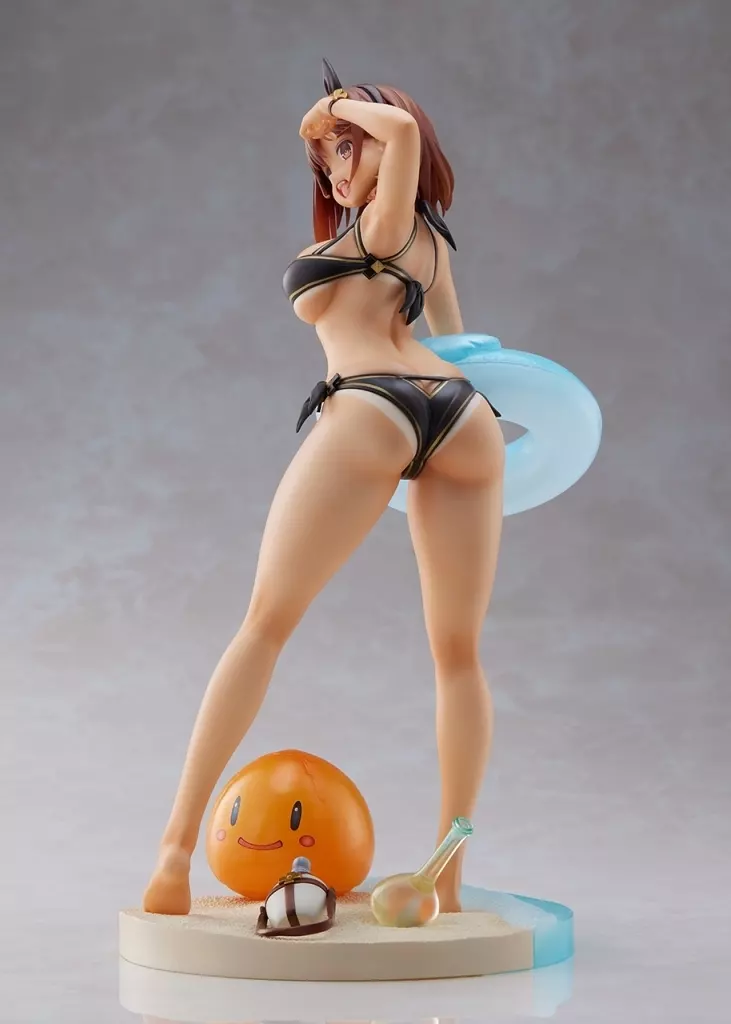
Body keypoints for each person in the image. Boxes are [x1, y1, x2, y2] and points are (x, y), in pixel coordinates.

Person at [143, 60, 505, 916]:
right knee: (457, 654)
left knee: (264, 624)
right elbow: (462, 347)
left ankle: (173, 855)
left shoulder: (386, 223)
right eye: (325, 157)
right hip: (463, 418)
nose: (336, 168)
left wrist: (329, 107)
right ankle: (446, 881)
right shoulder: (428, 244)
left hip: (372, 406)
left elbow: (402, 130)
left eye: (348, 147)